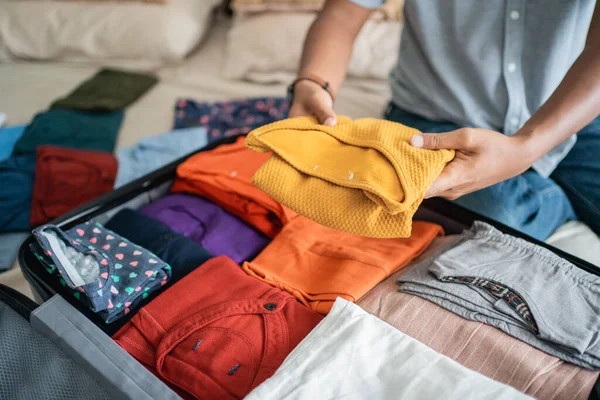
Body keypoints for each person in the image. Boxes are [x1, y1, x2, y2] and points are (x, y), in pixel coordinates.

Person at [288, 0, 600, 241]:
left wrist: (527, 148)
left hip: (574, 113)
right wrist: (315, 82)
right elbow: (343, 13)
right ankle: (557, 202)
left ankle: (547, 192)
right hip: (439, 120)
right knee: (497, 215)